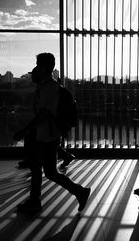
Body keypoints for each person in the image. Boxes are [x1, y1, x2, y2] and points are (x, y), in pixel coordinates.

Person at [14, 53, 90, 214]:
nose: (35, 68)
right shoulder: (46, 86)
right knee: (42, 170)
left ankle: (78, 192)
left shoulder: (49, 88)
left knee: (47, 172)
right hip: (45, 135)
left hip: (46, 137)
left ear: (43, 67)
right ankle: (38, 200)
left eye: (37, 64)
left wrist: (24, 130)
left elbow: (43, 115)